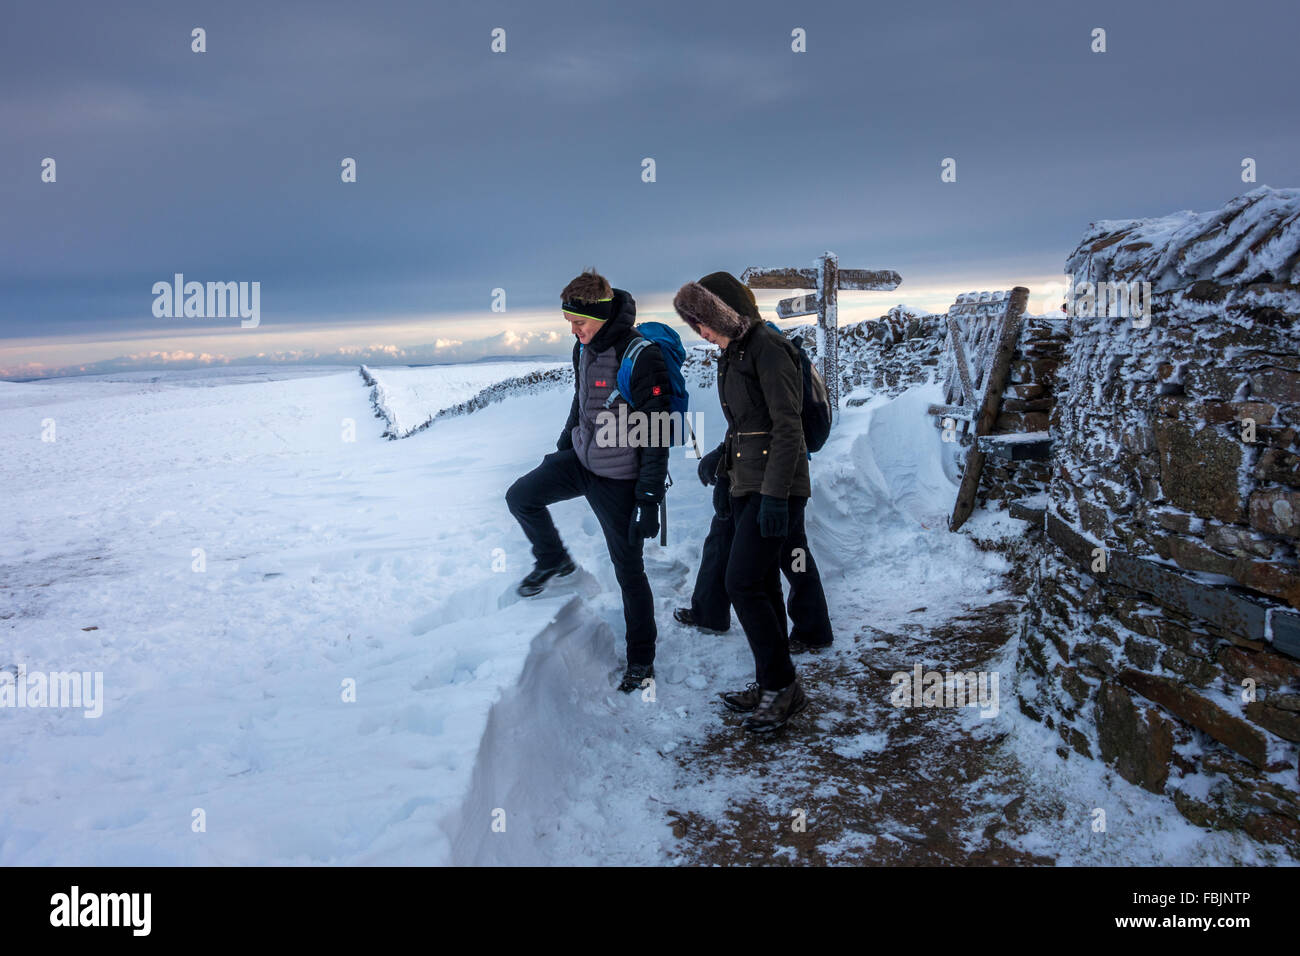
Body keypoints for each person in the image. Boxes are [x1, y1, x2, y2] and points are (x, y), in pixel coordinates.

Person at [505, 269, 670, 693]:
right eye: (568, 323)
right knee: (521, 496)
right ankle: (554, 560)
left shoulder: (640, 355)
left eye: (579, 322)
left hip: (620, 478)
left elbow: (657, 432)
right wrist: (564, 447)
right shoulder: (584, 349)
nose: (574, 330)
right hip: (581, 459)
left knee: (628, 570)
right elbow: (581, 403)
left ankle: (641, 661)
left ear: (600, 313)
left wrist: (648, 498)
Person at [673, 272, 818, 732]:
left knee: (740, 583)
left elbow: (788, 425)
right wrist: (719, 457)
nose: (702, 333)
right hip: (745, 484)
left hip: (774, 488)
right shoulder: (733, 354)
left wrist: (777, 497)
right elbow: (746, 424)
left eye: (705, 322)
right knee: (761, 584)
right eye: (695, 326)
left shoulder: (767, 349)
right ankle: (772, 683)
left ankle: (782, 686)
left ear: (726, 313)